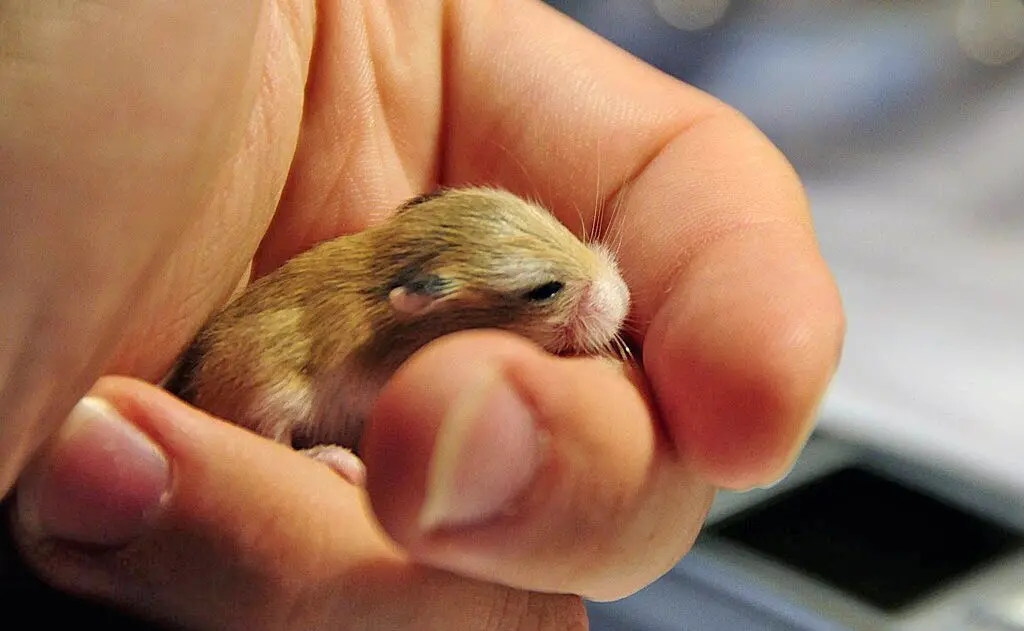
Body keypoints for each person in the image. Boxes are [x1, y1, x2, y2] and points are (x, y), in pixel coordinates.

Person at [0, 1, 844, 629]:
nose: (600, 295)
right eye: (545, 294)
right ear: (423, 305)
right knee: (276, 406)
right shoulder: (388, 328)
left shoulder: (422, 296)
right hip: (256, 384)